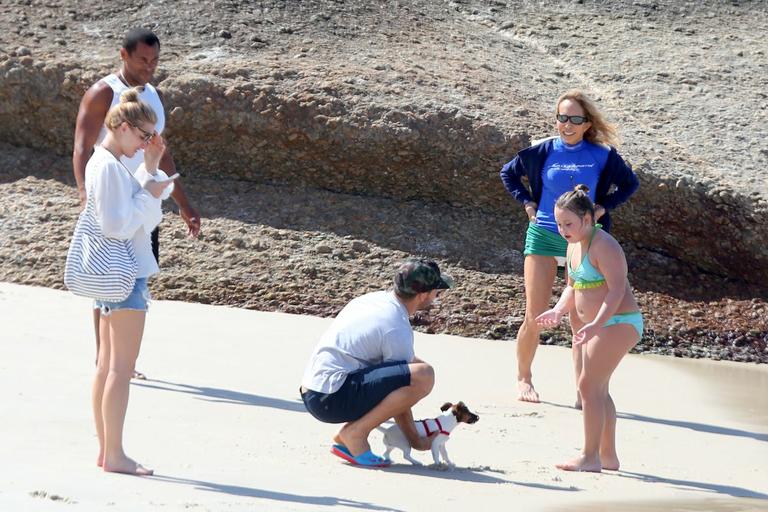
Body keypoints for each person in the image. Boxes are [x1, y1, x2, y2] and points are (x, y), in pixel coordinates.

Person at [72, 28, 201, 379]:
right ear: (123, 55)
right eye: (143, 59)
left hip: (144, 200)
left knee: (133, 276)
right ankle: (107, 359)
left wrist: (183, 203)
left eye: (155, 60)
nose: (150, 66)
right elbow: (82, 147)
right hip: (110, 199)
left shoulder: (154, 96)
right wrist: (86, 196)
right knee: (107, 278)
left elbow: (162, 154)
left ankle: (120, 361)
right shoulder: (103, 92)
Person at [499, 89, 639, 403]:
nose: (567, 124)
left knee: (580, 317)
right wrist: (528, 203)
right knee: (534, 313)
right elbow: (508, 173)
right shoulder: (542, 151)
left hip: (585, 240)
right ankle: (524, 379)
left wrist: (604, 206)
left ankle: (582, 388)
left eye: (575, 118)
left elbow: (630, 184)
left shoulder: (602, 154)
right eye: (562, 117)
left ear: (587, 123)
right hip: (544, 235)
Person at [88, 88, 176, 475]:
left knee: (108, 367)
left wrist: (152, 171)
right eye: (143, 137)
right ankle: (116, 456)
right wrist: (150, 193)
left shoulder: (108, 160)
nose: (145, 145)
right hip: (124, 274)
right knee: (120, 370)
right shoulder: (107, 166)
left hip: (115, 275)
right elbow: (117, 225)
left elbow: (133, 206)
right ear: (124, 128)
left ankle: (108, 451)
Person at [300, 259, 454, 467]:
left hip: (313, 389)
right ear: (423, 295)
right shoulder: (395, 327)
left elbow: (401, 368)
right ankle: (355, 434)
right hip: (331, 399)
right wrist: (415, 440)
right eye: (438, 292)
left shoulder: (372, 300)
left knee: (415, 370)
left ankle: (346, 438)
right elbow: (405, 384)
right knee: (424, 375)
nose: (438, 297)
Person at [536, 185, 642, 472]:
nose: (562, 230)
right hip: (593, 326)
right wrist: (558, 310)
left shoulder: (604, 245)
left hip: (619, 322)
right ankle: (607, 456)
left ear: (587, 219)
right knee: (598, 388)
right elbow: (572, 287)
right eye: (559, 224)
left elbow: (616, 291)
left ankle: (589, 456)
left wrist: (597, 323)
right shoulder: (572, 246)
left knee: (587, 385)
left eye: (568, 224)